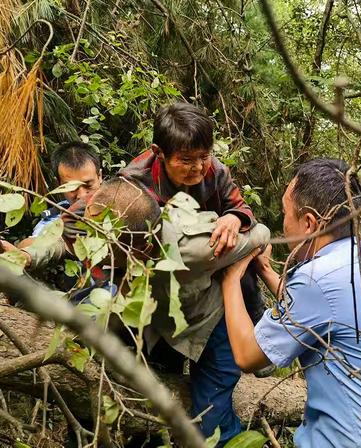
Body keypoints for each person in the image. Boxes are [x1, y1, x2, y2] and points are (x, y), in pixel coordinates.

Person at [6, 177, 270, 447]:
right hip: (159, 324)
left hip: (210, 327)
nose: (92, 242)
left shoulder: (197, 248)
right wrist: (24, 259)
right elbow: (66, 239)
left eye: (101, 240)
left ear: (137, 249)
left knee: (212, 426)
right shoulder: (101, 212)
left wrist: (236, 224)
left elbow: (260, 234)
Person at [221, 158, 361, 448]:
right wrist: (265, 270)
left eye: (286, 213)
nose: (283, 221)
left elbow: (247, 355)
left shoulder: (317, 280)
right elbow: (309, 313)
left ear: (309, 223)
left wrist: (230, 276)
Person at [119, 102, 267, 327]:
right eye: (186, 160)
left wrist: (234, 217)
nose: (198, 167)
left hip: (218, 264)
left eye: (204, 156)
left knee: (247, 279)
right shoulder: (135, 181)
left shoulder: (215, 171)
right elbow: (86, 213)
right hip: (165, 277)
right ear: (159, 152)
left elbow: (242, 207)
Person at [27, 141, 102, 240]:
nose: (82, 195)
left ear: (100, 176)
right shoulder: (54, 219)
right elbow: (34, 244)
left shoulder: (121, 202)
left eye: (88, 185)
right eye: (72, 188)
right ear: (58, 185)